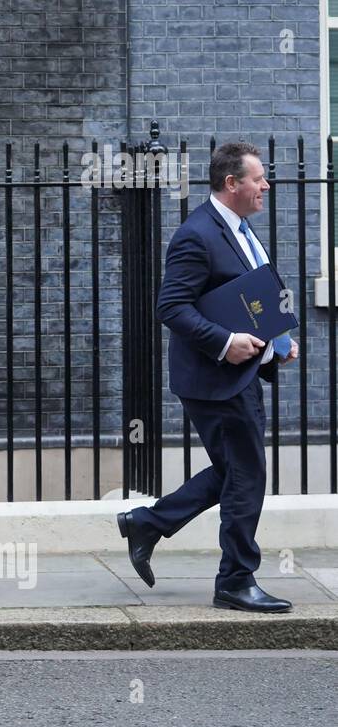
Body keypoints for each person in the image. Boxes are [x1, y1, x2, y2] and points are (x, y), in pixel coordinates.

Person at [119, 141, 299, 613]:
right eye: (258, 178)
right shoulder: (197, 234)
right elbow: (171, 307)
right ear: (231, 183)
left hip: (239, 375)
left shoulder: (238, 230)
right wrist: (225, 342)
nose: (266, 185)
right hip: (215, 377)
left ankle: (149, 522)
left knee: (235, 472)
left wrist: (278, 342)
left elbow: (253, 294)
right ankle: (235, 580)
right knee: (247, 476)